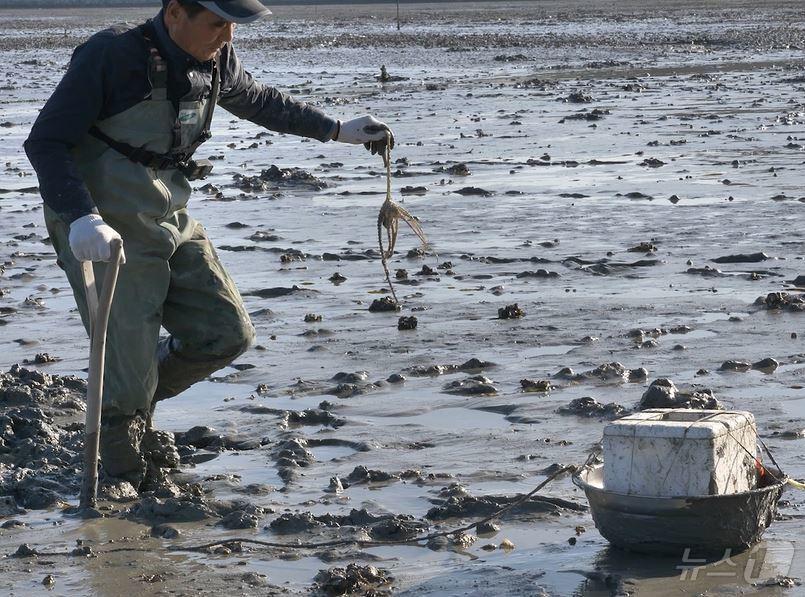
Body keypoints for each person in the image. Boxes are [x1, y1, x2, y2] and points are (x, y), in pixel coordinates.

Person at [24, 0, 394, 489]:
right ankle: (123, 490)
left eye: (234, 27)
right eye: (218, 23)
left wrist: (335, 130)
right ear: (175, 12)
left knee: (226, 332)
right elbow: (45, 142)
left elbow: (261, 101)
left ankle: (133, 386)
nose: (227, 37)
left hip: (168, 213)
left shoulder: (216, 60)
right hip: (103, 227)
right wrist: (80, 216)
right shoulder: (110, 57)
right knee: (126, 370)